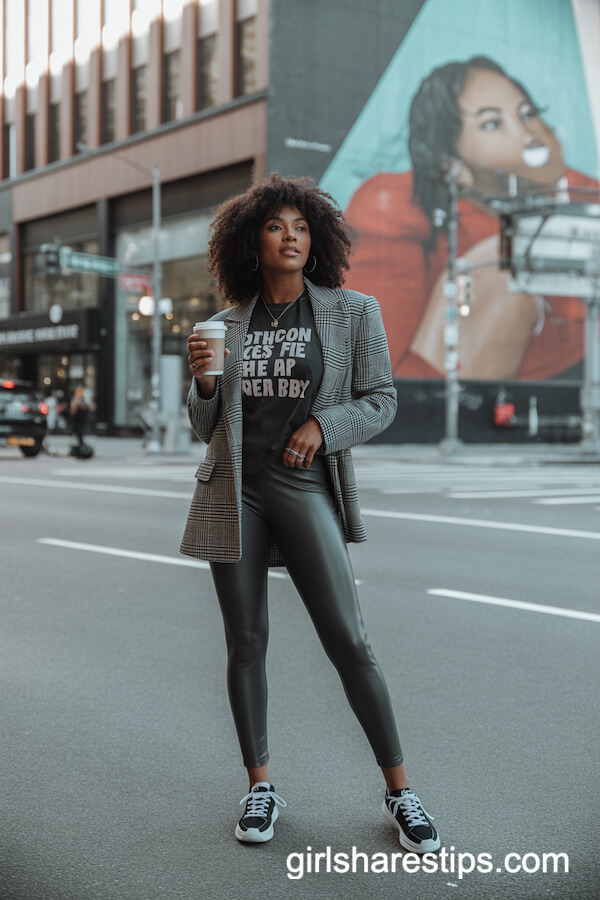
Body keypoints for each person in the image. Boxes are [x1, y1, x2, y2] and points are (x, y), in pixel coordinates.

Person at [180, 173, 440, 852]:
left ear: (316, 239)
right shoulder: (226, 324)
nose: (289, 235)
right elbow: (205, 423)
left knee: (349, 641)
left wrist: (324, 426)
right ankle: (260, 786)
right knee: (246, 643)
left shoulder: (353, 312)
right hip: (235, 488)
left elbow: (381, 399)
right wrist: (204, 381)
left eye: (300, 226)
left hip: (303, 486)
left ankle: (401, 791)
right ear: (251, 241)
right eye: (275, 226)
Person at [345, 56, 598, 380]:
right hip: (430, 404)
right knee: (497, 269)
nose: (528, 135)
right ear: (451, 163)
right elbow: (373, 366)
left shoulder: (583, 195)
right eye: (492, 123)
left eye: (529, 114)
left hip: (569, 392)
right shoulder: (396, 207)